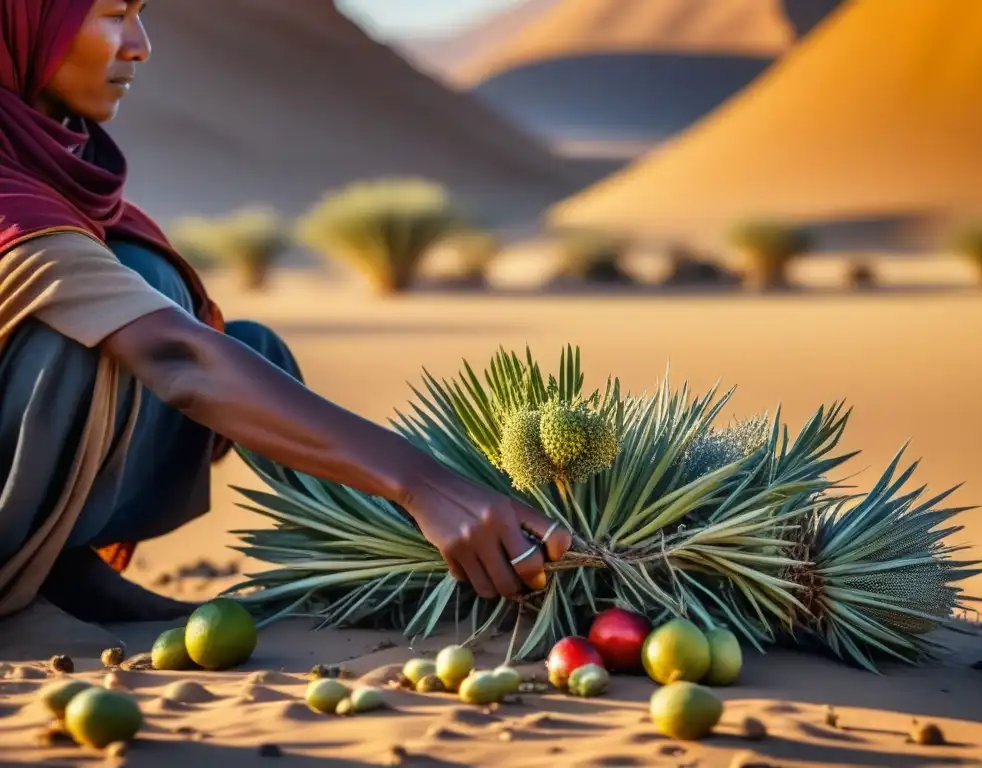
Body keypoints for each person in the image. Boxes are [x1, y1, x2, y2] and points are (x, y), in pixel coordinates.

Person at [0, 0, 571, 647]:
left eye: (141, 13)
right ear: (21, 26)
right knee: (98, 328)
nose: (140, 45)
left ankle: (60, 570)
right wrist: (425, 486)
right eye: (110, 15)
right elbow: (172, 357)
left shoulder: (50, 167)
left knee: (235, 341)